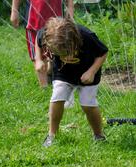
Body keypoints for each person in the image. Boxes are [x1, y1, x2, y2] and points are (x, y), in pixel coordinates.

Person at [35, 17, 108, 147]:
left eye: (66, 52)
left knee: (88, 104)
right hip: (63, 72)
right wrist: (39, 60)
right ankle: (52, 134)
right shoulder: (48, 34)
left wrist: (91, 71)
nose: (65, 57)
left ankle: (98, 135)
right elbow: (38, 39)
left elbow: (103, 53)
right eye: (59, 53)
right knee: (57, 97)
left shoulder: (86, 36)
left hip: (87, 72)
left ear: (74, 40)